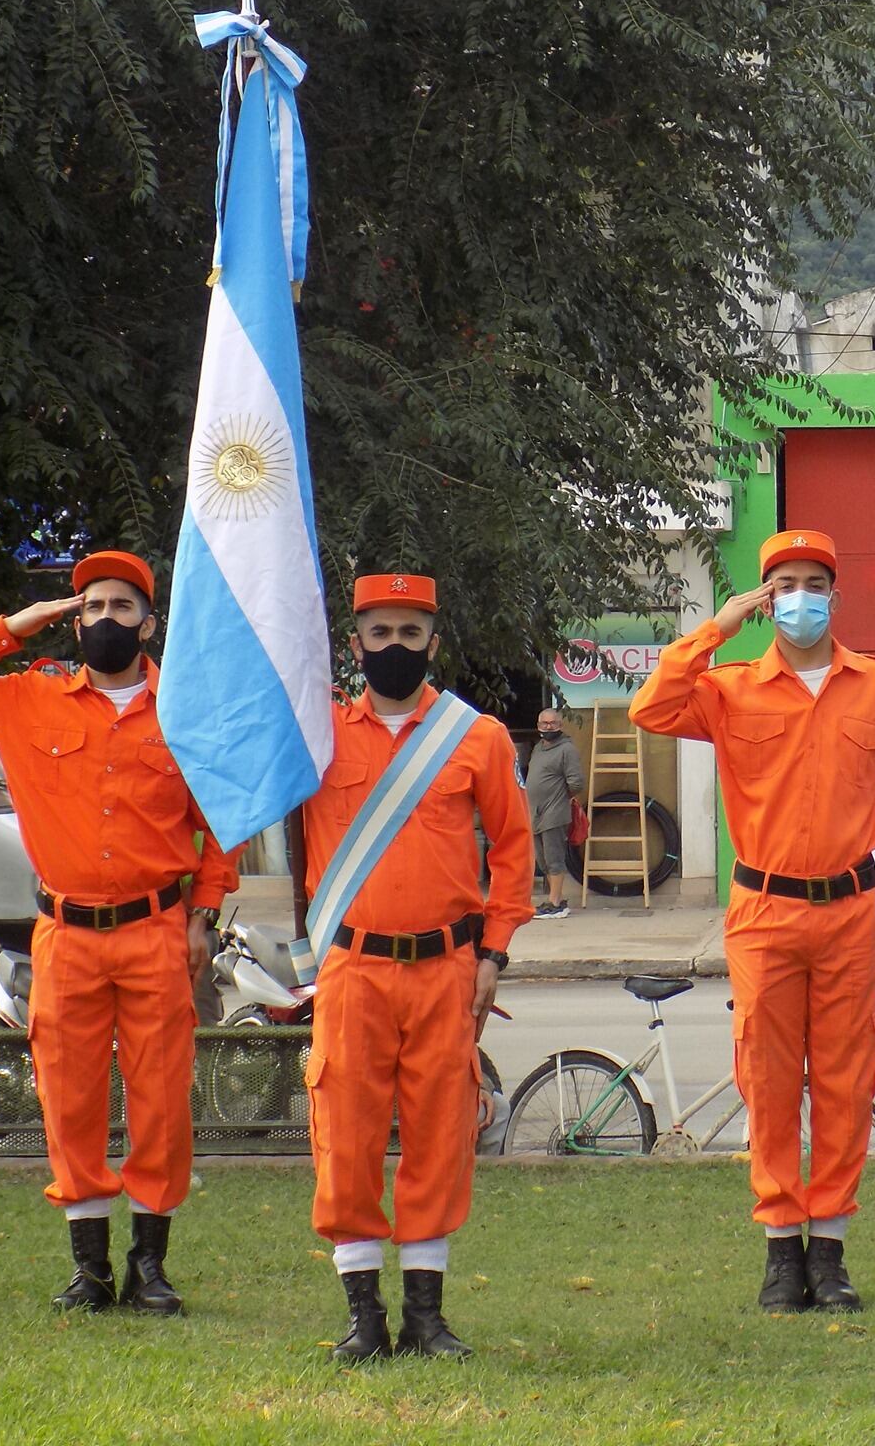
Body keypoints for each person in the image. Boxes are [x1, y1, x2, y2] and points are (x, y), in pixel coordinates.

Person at [0, 550, 237, 1316]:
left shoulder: (186, 710)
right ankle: (88, 1268)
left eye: (124, 607)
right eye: (91, 607)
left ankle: (149, 1266)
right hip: (66, 933)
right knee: (70, 1097)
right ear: (73, 620)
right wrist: (16, 626)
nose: (107, 620)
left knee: (160, 1099)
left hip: (156, 930)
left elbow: (221, 826)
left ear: (150, 622)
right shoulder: (26, 700)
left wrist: (205, 912)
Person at [628, 531, 875, 1314]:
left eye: (813, 582)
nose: (799, 597)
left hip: (847, 908)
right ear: (766, 597)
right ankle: (780, 1247)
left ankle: (830, 1248)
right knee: (767, 1080)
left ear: (835, 595)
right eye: (783, 584)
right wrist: (717, 627)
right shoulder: (732, 686)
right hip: (763, 911)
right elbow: (652, 704)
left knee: (844, 1079)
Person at [301, 574, 533, 1360]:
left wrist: (494, 951)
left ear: (434, 643)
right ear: (355, 642)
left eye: (409, 633)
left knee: (440, 1135)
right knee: (347, 1134)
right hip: (353, 968)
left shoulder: (479, 737)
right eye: (378, 632)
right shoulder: (316, 732)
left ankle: (426, 1318)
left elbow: (513, 849)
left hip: (447, 968)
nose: (393, 647)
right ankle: (364, 1317)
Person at [526, 708, 585, 919]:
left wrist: (560, 798)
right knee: (542, 861)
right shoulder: (538, 748)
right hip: (535, 814)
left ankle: (555, 903)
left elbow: (576, 782)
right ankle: (555, 899)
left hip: (554, 813)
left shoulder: (566, 749)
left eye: (552, 723)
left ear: (560, 725)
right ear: (538, 725)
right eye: (544, 723)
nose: (548, 727)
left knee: (554, 859)